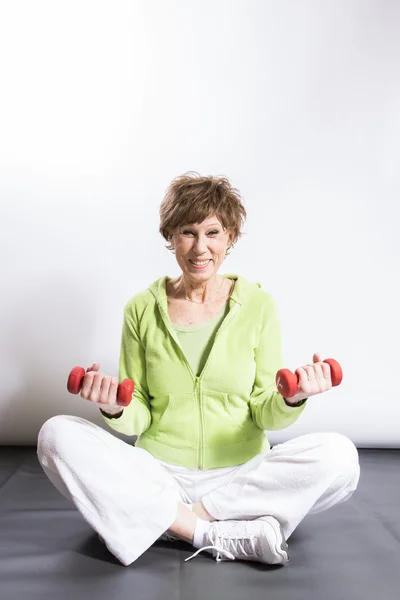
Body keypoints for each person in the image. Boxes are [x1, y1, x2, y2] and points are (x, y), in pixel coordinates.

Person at [37, 172, 360, 567]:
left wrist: (291, 398)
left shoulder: (259, 306)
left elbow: (264, 409)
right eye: (188, 232)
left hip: (240, 477)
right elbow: (137, 412)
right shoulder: (140, 309)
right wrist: (114, 408)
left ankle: (169, 521)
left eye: (213, 232)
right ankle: (211, 533)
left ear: (231, 238)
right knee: (54, 436)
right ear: (170, 237)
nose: (200, 247)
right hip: (158, 473)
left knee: (341, 459)